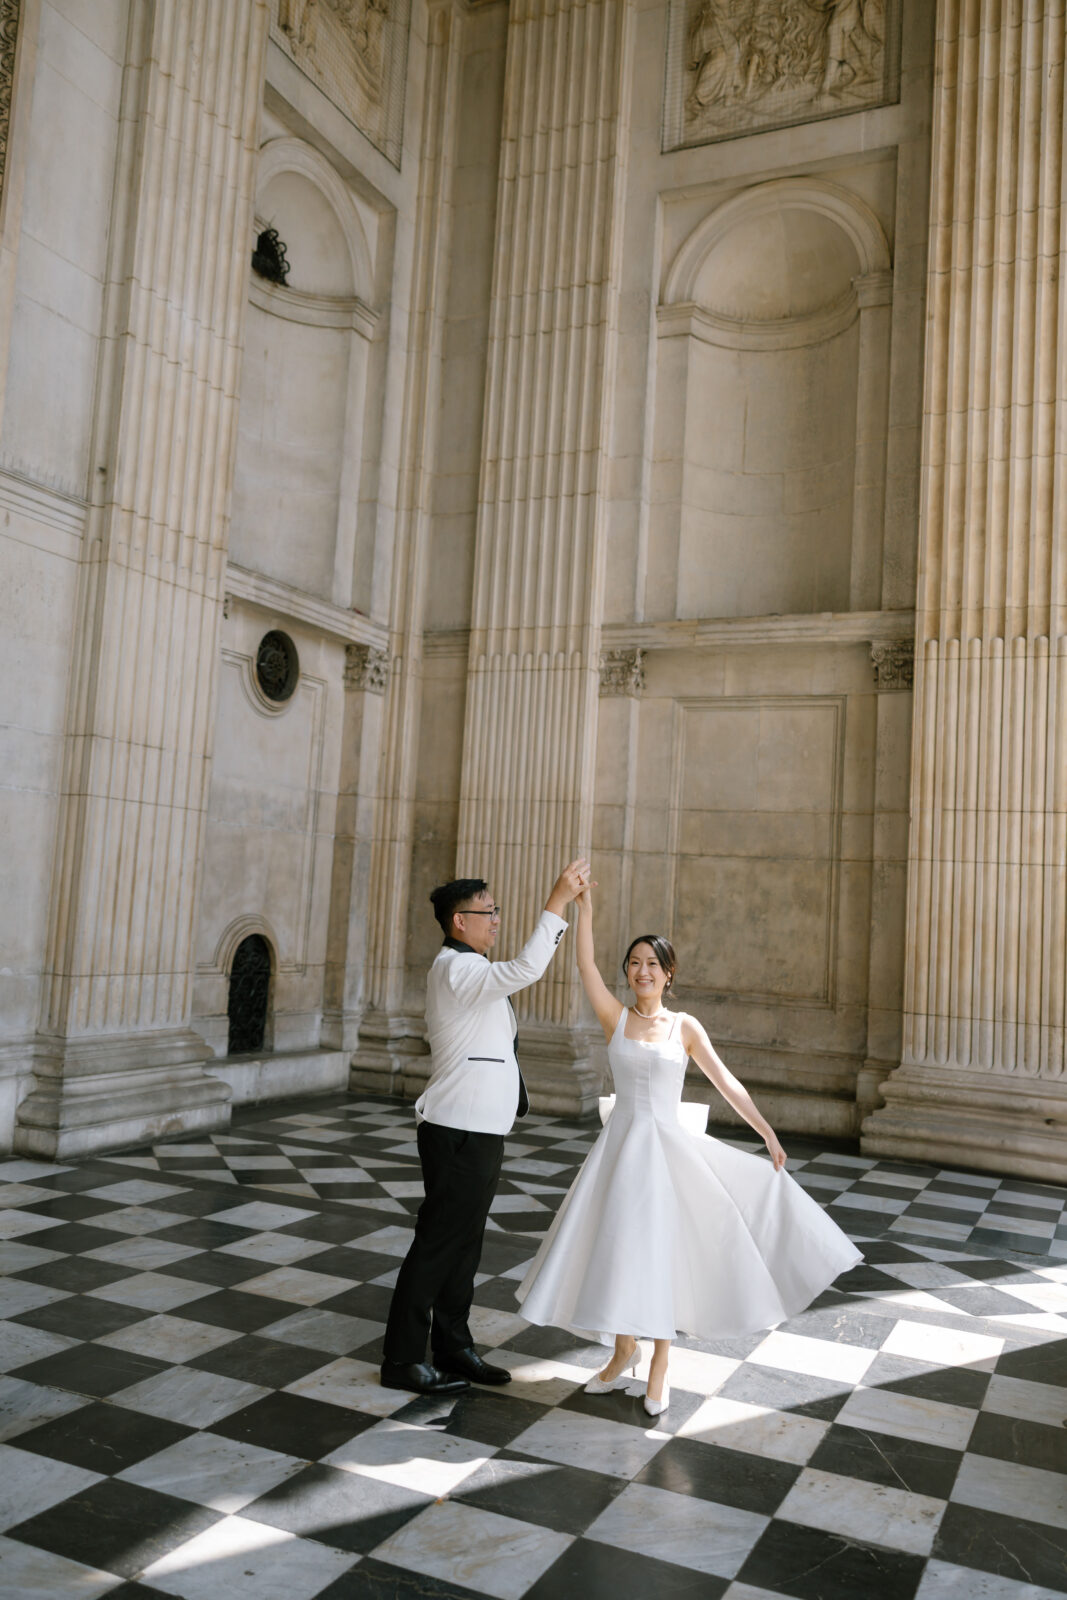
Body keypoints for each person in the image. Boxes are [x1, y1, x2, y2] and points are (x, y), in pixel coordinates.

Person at [516, 882, 862, 1416]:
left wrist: (766, 1131)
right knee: (617, 1252)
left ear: (668, 974)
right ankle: (622, 1349)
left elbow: (727, 1083)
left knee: (661, 1256)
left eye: (652, 963)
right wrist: (584, 909)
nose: (642, 971)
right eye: (634, 963)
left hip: (668, 1156)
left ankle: (658, 1363)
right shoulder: (617, 1018)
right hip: (619, 1155)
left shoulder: (684, 1026)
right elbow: (583, 965)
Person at [380, 859, 590, 1397]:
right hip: (457, 1129)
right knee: (437, 1244)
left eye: (495, 910)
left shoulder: (469, 970)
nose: (496, 919)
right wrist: (557, 902)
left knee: (463, 1246)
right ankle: (402, 1360)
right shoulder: (457, 969)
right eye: (487, 912)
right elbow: (525, 969)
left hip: (477, 1129)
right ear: (459, 921)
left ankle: (453, 1347)